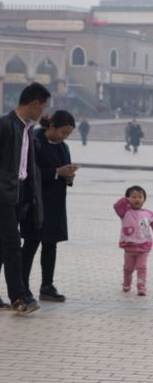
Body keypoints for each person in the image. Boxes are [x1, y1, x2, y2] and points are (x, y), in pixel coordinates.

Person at [0, 82, 49, 315]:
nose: (43, 113)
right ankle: (19, 297)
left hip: (19, 194)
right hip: (3, 195)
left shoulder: (27, 129)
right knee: (12, 245)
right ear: (34, 104)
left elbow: (27, 166)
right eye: (42, 107)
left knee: (4, 247)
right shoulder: (5, 126)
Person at [21, 110, 77, 302]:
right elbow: (29, 171)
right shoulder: (35, 141)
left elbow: (64, 172)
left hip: (56, 204)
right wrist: (55, 172)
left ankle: (47, 285)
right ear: (52, 127)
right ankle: (22, 287)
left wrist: (69, 176)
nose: (65, 137)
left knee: (50, 244)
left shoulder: (63, 147)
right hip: (36, 203)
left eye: (68, 134)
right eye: (63, 132)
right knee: (30, 244)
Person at [114, 185, 153, 295]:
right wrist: (125, 200)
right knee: (128, 268)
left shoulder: (149, 214)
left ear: (144, 199)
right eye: (133, 197)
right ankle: (126, 283)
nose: (137, 199)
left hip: (144, 246)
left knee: (141, 267)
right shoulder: (124, 212)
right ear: (128, 199)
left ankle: (141, 286)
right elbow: (117, 206)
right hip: (129, 245)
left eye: (140, 197)